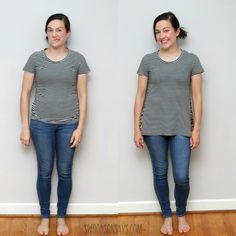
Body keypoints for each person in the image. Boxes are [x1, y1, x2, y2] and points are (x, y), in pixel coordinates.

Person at [134, 12, 204, 235]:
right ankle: (167, 215)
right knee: (160, 173)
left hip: (182, 126)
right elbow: (140, 95)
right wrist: (136, 127)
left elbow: (197, 97)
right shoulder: (148, 60)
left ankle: (180, 213)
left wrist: (196, 129)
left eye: (166, 30)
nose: (161, 35)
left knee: (181, 176)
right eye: (157, 32)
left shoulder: (192, 60)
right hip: (153, 127)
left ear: (176, 31)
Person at [20, 13, 90, 235]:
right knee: (43, 172)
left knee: (65, 172)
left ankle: (61, 217)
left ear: (67, 33)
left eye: (59, 29)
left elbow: (83, 97)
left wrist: (80, 128)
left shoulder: (78, 60)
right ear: (46, 34)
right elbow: (24, 93)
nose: (54, 34)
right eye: (50, 29)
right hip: (40, 124)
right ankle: (44, 217)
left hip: (69, 124)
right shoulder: (35, 59)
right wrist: (24, 126)